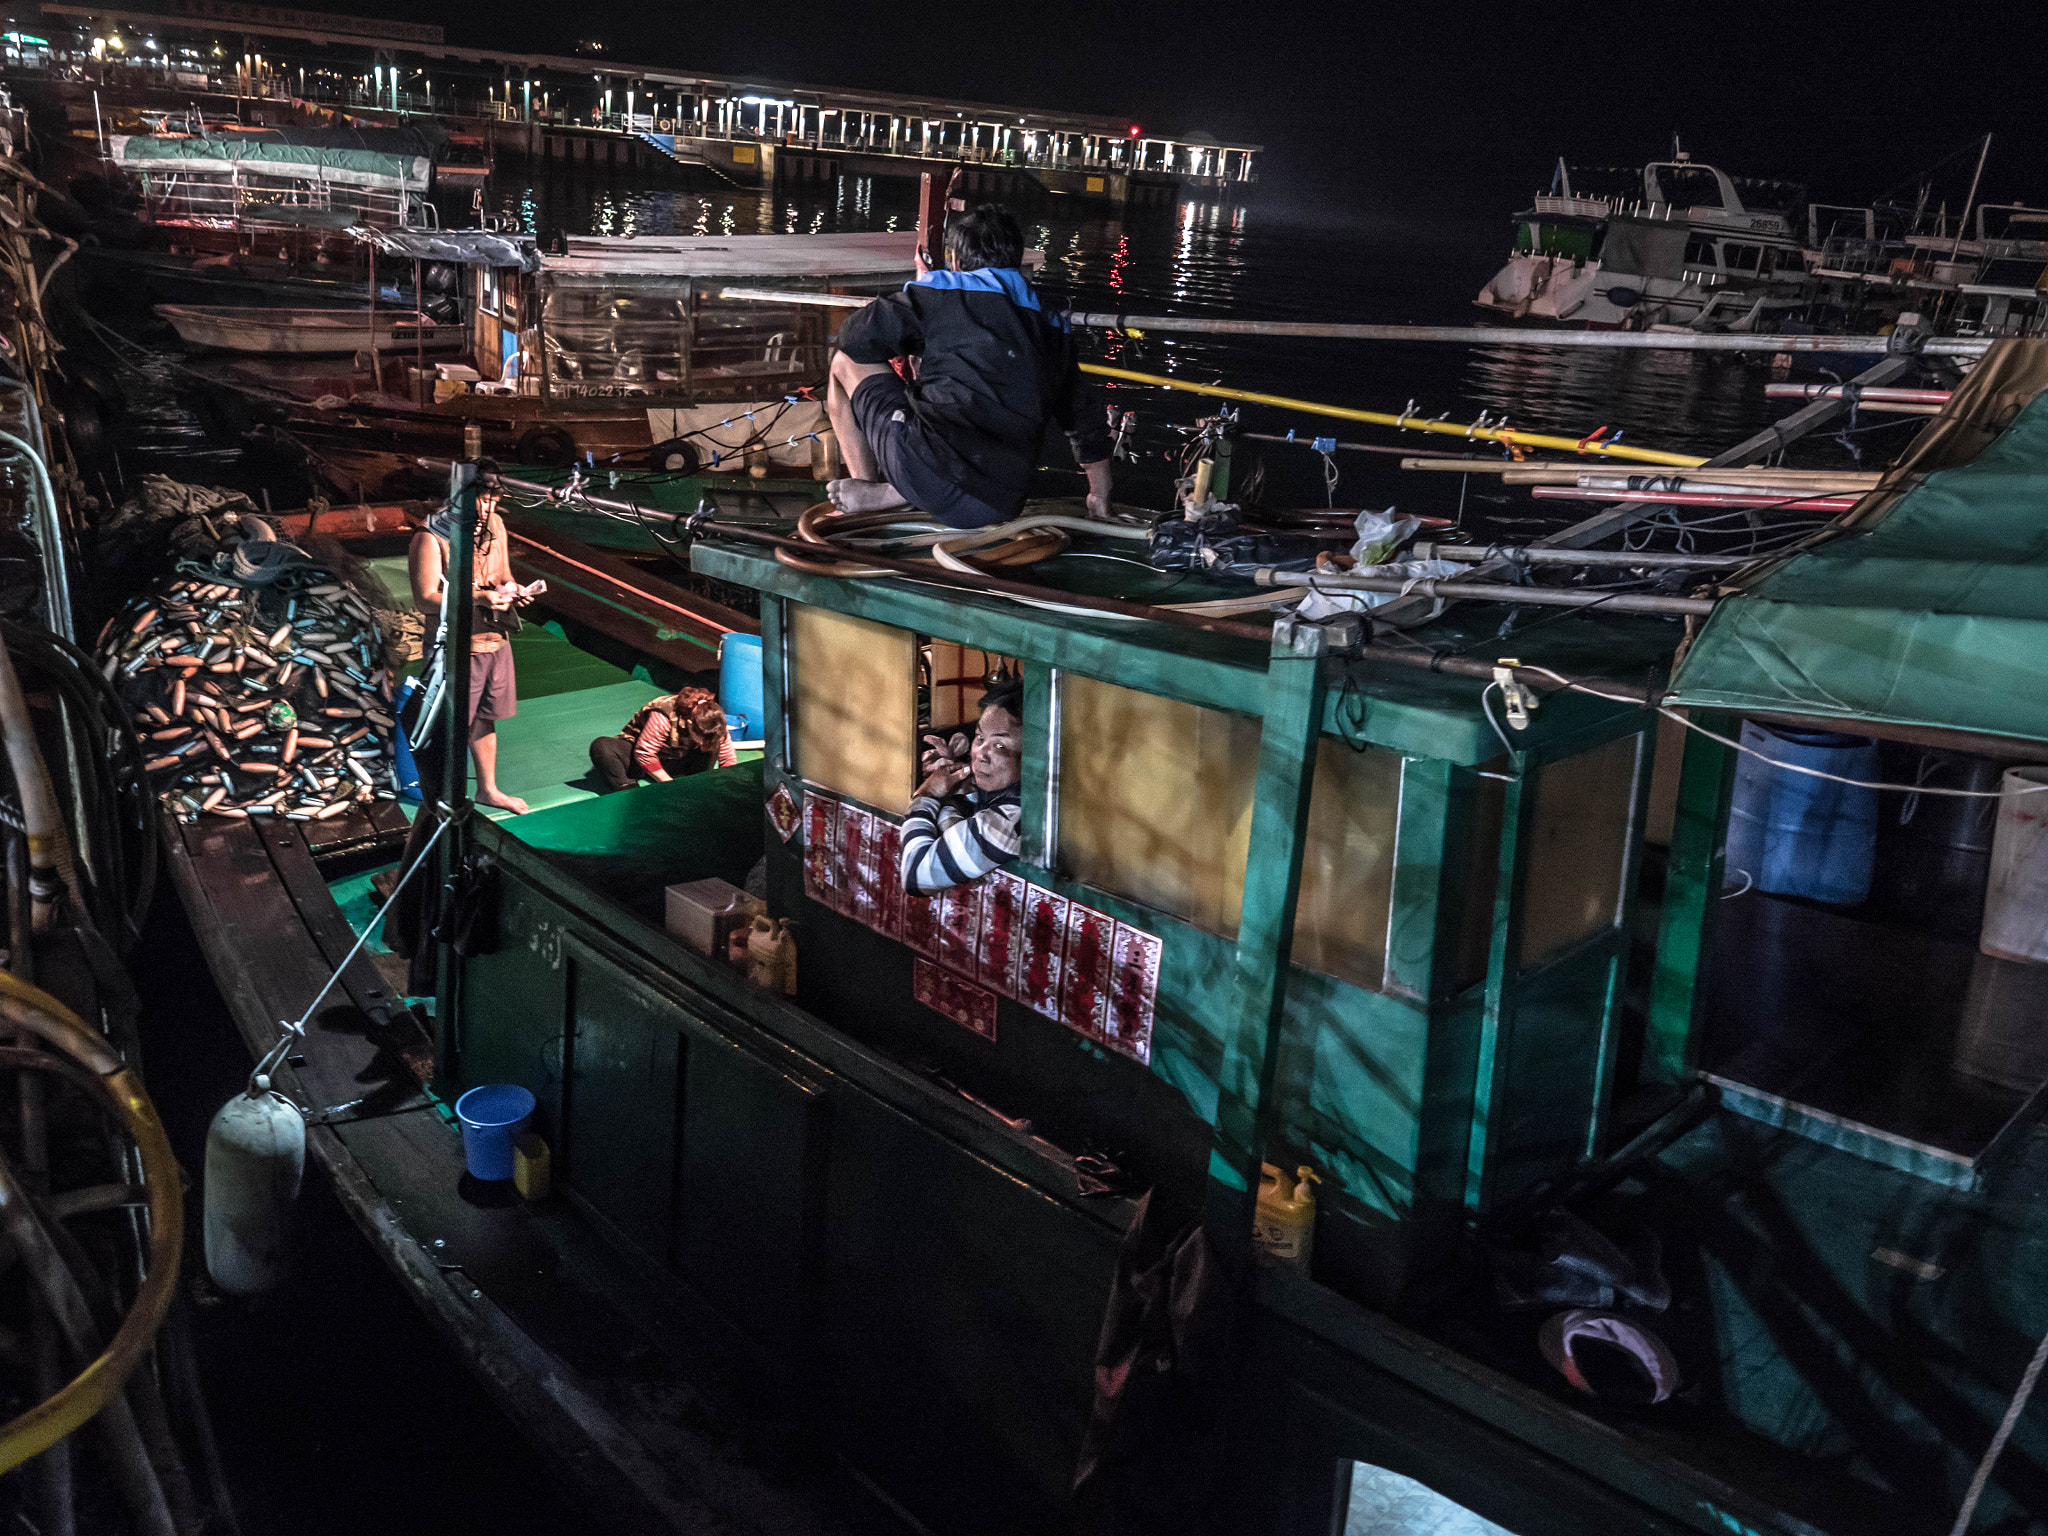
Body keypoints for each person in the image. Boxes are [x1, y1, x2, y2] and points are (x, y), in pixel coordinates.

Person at [825, 203, 1114, 529]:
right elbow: (1081, 414)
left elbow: (853, 337)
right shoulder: (1051, 318)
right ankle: (893, 493)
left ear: (956, 261)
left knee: (843, 362)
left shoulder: (940, 292)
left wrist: (922, 295)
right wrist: (1098, 491)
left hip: (927, 477)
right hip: (1001, 503)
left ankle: (869, 490)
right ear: (1017, 259)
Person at [408, 485, 533, 814]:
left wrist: (514, 590)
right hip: (457, 646)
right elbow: (425, 600)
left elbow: (503, 575)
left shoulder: (495, 525)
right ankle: (442, 800)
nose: (489, 508)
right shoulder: (430, 535)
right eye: (484, 499)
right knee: (452, 724)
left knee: (486, 717)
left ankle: (488, 790)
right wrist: (478, 597)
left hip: (495, 636)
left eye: (495, 501)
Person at [900, 677, 1024, 895]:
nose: (980, 754)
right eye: (979, 738)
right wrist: (952, 797)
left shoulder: (1012, 819)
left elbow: (915, 876)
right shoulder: (990, 791)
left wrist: (927, 795)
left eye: (1000, 745)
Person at [589, 685, 738, 791]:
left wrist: (726, 787)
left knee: (713, 744)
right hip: (640, 759)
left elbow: (728, 757)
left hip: (679, 759)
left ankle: (699, 784)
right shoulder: (663, 714)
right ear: (690, 723)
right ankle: (630, 792)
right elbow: (644, 752)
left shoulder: (714, 717)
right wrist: (670, 786)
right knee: (602, 747)